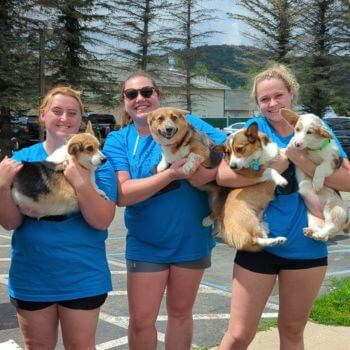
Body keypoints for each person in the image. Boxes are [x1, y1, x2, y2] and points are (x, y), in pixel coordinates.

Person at [217, 64, 350, 350]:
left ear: (292, 94)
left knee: (291, 331)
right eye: (264, 99)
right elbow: (223, 175)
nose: (272, 103)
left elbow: (348, 179)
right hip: (260, 248)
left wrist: (298, 159)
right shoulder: (253, 132)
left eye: (279, 95)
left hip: (306, 246)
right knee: (239, 334)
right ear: (257, 103)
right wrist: (275, 163)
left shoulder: (314, 128)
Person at [103, 71, 226, 350]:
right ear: (124, 102)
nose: (140, 99)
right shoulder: (118, 141)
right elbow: (123, 194)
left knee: (181, 315)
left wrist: (209, 174)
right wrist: (171, 174)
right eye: (131, 94)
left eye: (147, 92)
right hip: (146, 243)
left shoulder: (187, 122)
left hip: (192, 239)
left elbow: (230, 149)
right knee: (141, 320)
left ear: (158, 96)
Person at [0, 86, 117, 350]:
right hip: (32, 276)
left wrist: (81, 183)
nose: (64, 118)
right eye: (57, 111)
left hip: (82, 276)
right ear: (42, 115)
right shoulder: (21, 160)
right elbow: (10, 223)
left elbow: (101, 220)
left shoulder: (100, 163)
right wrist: (2, 186)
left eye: (72, 113)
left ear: (80, 119)